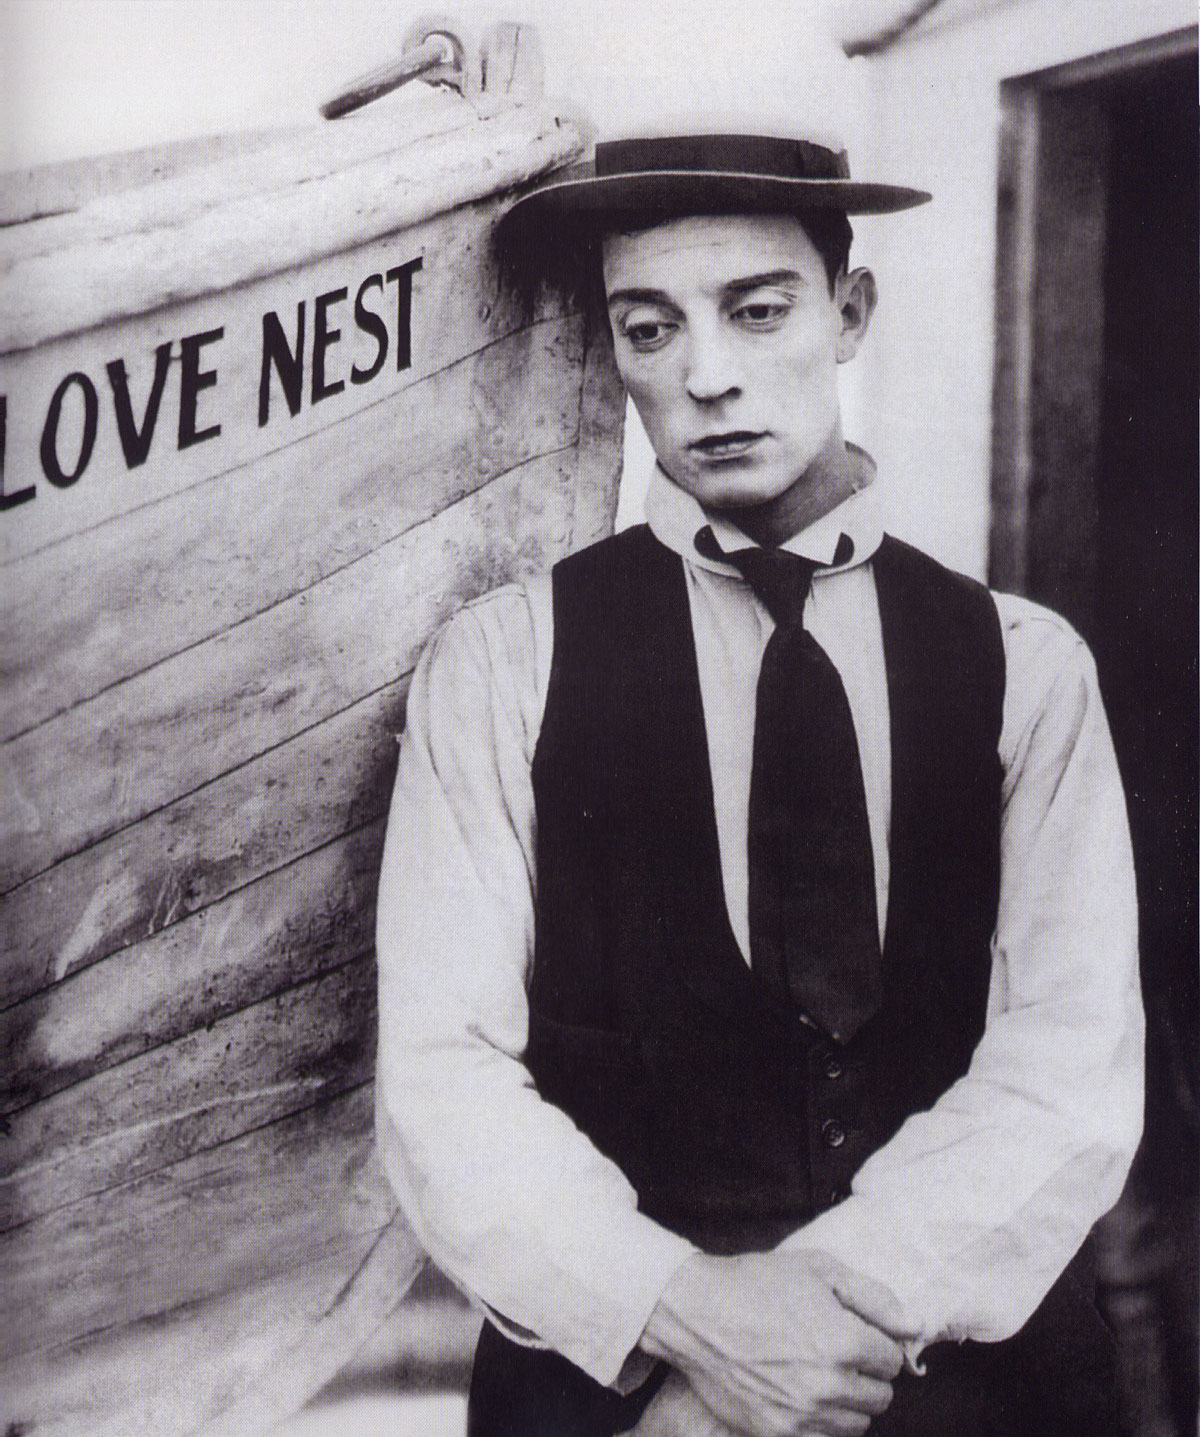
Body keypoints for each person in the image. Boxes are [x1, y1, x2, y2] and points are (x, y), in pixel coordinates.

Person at [373, 95, 1144, 1437]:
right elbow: (444, 1079)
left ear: (850, 312)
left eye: (759, 309)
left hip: (969, 1391)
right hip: (619, 1399)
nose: (707, 376)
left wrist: (796, 1340)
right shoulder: (501, 665)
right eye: (649, 328)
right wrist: (687, 1323)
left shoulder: (1027, 665)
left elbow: (1068, 1064)